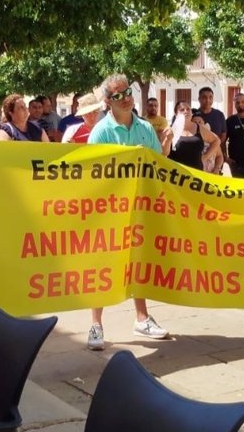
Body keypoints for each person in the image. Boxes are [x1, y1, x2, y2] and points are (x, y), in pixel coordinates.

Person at [86, 74, 172, 350]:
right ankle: (96, 325)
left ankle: (142, 318)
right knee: (102, 267)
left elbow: (157, 166)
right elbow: (91, 175)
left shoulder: (146, 129)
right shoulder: (100, 132)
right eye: (117, 95)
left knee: (140, 263)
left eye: (127, 92)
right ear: (107, 102)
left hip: (139, 209)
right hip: (109, 212)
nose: (125, 98)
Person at [169, 102, 221, 171]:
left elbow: (216, 141)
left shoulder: (199, 128)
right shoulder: (171, 130)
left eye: (188, 109)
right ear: (176, 114)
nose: (186, 111)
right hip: (177, 175)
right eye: (182, 110)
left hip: (196, 175)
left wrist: (205, 157)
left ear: (191, 113)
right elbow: (164, 152)